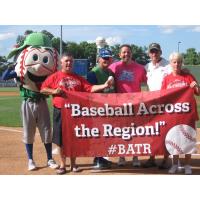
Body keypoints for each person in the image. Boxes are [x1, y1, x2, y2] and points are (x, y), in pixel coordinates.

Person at [41, 53, 114, 175]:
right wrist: (54, 91)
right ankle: (63, 164)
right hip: (60, 111)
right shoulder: (55, 77)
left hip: (74, 112)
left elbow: (90, 88)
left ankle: (74, 164)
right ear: (61, 63)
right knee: (60, 140)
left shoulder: (78, 78)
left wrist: (105, 85)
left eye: (70, 61)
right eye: (66, 61)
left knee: (73, 138)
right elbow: (43, 89)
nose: (68, 63)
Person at [2, 33, 59, 171]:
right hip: (27, 102)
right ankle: (30, 160)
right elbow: (4, 77)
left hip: (42, 102)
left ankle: (50, 158)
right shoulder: (21, 70)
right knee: (28, 132)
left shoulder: (49, 72)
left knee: (46, 131)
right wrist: (13, 66)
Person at [161, 52, 200, 175]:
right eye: (174, 62)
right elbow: (162, 96)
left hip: (187, 114)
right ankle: (174, 164)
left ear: (181, 63)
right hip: (173, 114)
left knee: (188, 139)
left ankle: (187, 165)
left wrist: (196, 86)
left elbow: (197, 92)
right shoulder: (167, 79)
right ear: (170, 63)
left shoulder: (188, 76)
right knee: (174, 139)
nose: (176, 64)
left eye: (179, 61)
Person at [109, 44, 147, 167]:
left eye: (128, 52)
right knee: (121, 132)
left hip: (135, 105)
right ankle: (122, 156)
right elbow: (102, 71)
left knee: (135, 131)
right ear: (119, 54)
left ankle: (135, 157)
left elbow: (148, 82)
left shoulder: (140, 68)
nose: (126, 54)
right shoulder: (114, 67)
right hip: (119, 105)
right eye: (124, 52)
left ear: (132, 53)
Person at [143, 43, 171, 169]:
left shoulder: (168, 65)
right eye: (152, 52)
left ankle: (166, 159)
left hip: (165, 103)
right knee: (153, 131)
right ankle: (152, 158)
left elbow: (178, 73)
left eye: (156, 51)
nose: (154, 54)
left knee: (165, 131)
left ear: (160, 52)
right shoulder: (147, 66)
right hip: (152, 104)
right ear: (149, 53)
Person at [87, 48, 115, 170]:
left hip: (109, 109)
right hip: (97, 109)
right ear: (99, 59)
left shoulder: (111, 73)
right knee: (98, 134)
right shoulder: (93, 73)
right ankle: (97, 159)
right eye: (104, 58)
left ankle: (101, 158)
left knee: (106, 135)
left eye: (108, 58)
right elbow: (90, 90)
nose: (106, 60)